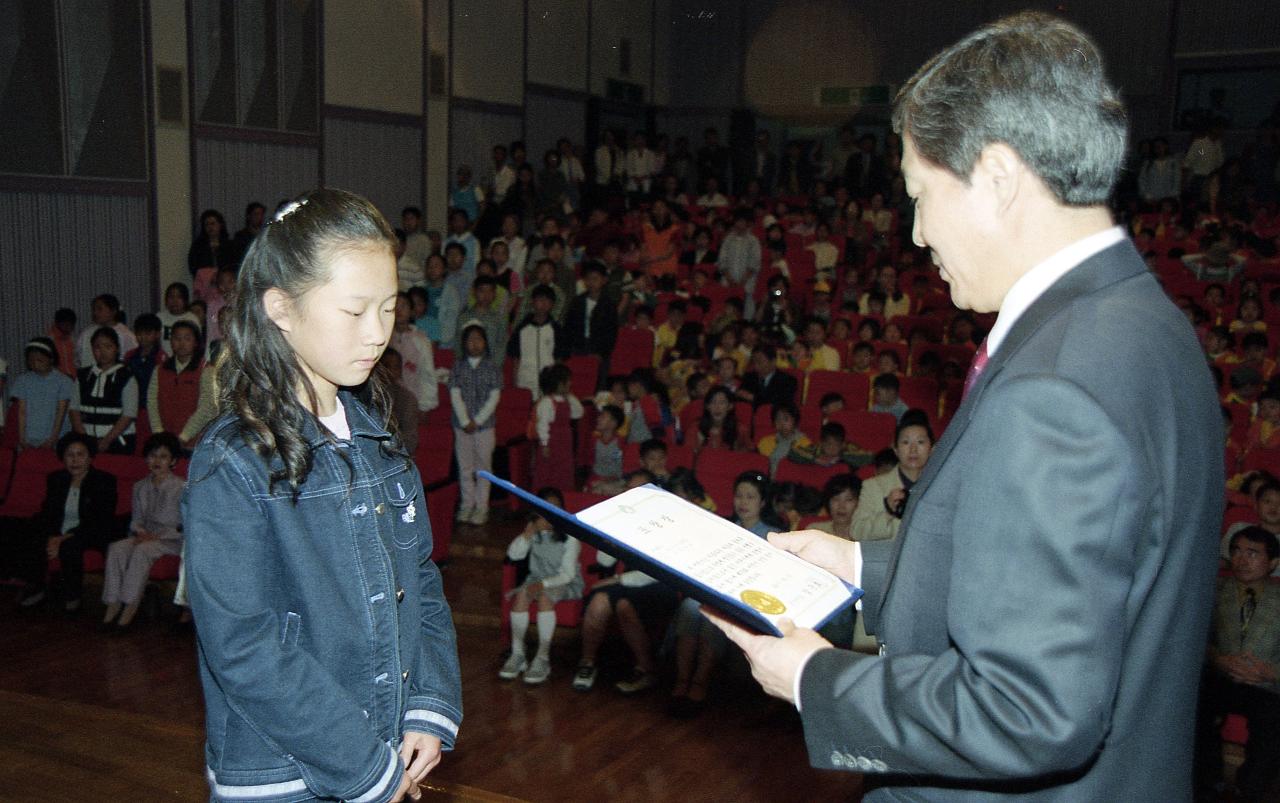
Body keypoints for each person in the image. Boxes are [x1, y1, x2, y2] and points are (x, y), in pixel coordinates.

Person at [709, 14, 1222, 801]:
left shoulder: (1057, 388)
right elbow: (1071, 578)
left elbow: (1028, 710)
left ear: (998, 175)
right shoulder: (1144, 321)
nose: (915, 233)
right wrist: (856, 563)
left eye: (920, 195)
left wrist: (816, 678)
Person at [183, 189, 461, 803]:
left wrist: (429, 705)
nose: (378, 333)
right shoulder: (233, 460)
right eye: (355, 310)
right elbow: (245, 648)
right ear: (280, 307)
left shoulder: (377, 442)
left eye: (390, 309)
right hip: (282, 776)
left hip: (382, 747)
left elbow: (420, 579)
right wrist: (366, 767)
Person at [671, 470, 782, 717]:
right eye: (739, 496)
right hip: (716, 590)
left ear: (763, 502)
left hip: (748, 600)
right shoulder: (723, 527)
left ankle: (699, 683)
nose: (743, 502)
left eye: (750, 497)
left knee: (714, 616)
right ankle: (681, 680)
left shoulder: (772, 535)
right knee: (690, 606)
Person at [1195, 526, 1280, 799]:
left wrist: (1270, 672)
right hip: (1218, 678)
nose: (1242, 560)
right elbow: (1192, 640)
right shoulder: (1212, 591)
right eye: (1237, 551)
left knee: (1273, 722)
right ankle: (1207, 786)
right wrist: (1218, 660)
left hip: (1265, 685)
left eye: (1253, 553)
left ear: (1273, 563)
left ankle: (1250, 788)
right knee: (1195, 709)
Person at [9, 432, 118, 612]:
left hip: (90, 530)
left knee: (70, 546)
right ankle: (36, 587)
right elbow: (49, 512)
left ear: (90, 457)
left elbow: (99, 519)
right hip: (60, 530)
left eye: (80, 454)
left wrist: (61, 538)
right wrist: (53, 535)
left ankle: (72, 598)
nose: (75, 460)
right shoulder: (56, 478)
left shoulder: (103, 480)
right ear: (63, 458)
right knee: (30, 532)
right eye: (70, 455)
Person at [101, 432, 185, 631]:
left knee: (142, 551)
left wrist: (155, 536)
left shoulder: (182, 487)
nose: (157, 461)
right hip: (145, 537)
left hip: (172, 540)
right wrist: (140, 532)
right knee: (117, 548)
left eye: (163, 457)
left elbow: (184, 526)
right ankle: (113, 603)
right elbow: (135, 520)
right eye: (153, 456)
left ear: (173, 461)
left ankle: (130, 606)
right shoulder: (139, 487)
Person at [501, 488, 584, 685]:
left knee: (545, 597)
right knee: (521, 596)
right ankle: (518, 653)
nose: (549, 515)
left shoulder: (570, 537)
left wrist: (543, 584)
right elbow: (514, 555)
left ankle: (542, 657)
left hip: (563, 581)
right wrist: (527, 535)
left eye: (555, 509)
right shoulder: (535, 534)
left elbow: (568, 574)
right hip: (536, 578)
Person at [850, 411, 934, 542]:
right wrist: (888, 513)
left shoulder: (941, 486)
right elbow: (856, 532)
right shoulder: (874, 486)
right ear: (896, 450)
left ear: (932, 449)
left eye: (920, 442)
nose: (913, 449)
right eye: (905, 442)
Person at [450, 324, 502, 526]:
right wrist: (465, 421)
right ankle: (466, 504)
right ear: (464, 343)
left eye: (478, 339)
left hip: (485, 427)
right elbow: (454, 394)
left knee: (484, 468)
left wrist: (477, 421)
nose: (474, 343)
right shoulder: (458, 367)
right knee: (465, 468)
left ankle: (481, 507)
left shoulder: (492, 367)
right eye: (470, 339)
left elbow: (494, 397)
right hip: (461, 426)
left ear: (485, 343)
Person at [70, 327, 138, 455]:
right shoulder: (82, 375)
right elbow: (74, 409)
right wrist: (85, 439)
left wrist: (106, 441)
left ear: (117, 348)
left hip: (119, 441)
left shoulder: (126, 376)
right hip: (86, 442)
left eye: (108, 346)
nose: (103, 352)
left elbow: (129, 414)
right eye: (97, 347)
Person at [10, 337, 74, 451]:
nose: (35, 364)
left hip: (56, 438)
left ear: (51, 359)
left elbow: (61, 412)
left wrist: (53, 439)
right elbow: (22, 412)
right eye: (31, 360)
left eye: (39, 360)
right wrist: (22, 439)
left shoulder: (64, 382)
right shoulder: (23, 380)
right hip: (30, 437)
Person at [147, 320, 205, 442]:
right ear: (171, 342)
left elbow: (207, 407)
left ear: (196, 342)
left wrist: (184, 437)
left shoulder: (206, 370)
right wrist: (159, 434)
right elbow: (152, 402)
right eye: (177, 338)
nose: (181, 343)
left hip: (195, 441)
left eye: (187, 338)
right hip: (164, 440)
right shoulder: (159, 369)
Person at [531, 363, 583, 491]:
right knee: (549, 471)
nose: (570, 383)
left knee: (564, 470)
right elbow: (542, 425)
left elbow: (579, 412)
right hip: (552, 442)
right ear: (560, 383)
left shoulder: (567, 399)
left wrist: (570, 397)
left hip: (565, 442)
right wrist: (544, 444)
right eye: (568, 381)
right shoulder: (547, 402)